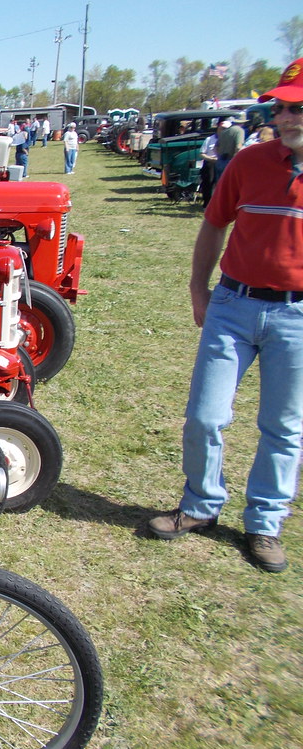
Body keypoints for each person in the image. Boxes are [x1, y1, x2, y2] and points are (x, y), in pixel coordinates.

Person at [147, 57, 303, 573]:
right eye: (282, 107)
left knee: (282, 426)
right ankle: (200, 505)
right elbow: (214, 225)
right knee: (205, 416)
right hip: (233, 305)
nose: (286, 118)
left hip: (296, 315)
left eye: (298, 108)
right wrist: (199, 289)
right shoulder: (248, 163)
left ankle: (264, 523)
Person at [214, 118, 245, 182]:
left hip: (220, 161)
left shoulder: (223, 132)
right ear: (242, 123)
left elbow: (216, 147)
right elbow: (238, 147)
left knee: (220, 185)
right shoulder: (239, 131)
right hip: (230, 161)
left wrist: (219, 156)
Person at [198, 129, 219, 206]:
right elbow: (202, 153)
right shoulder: (209, 139)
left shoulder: (226, 139)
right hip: (210, 163)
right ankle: (207, 203)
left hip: (222, 163)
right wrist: (211, 159)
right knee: (209, 183)